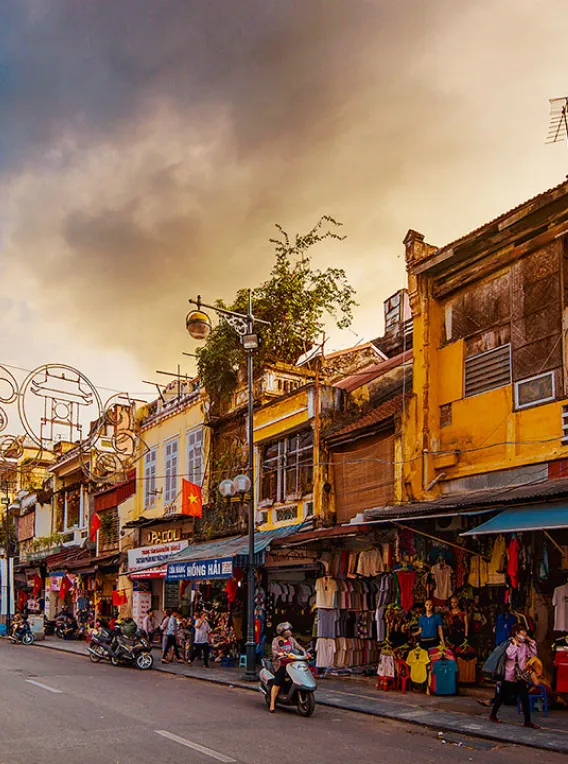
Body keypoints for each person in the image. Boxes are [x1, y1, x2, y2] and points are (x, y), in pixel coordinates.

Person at [490, 623, 539, 729]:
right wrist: (515, 645)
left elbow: (532, 655)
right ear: (517, 633)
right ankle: (493, 714)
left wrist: (531, 642)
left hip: (519, 676)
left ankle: (527, 721)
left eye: (525, 632)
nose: (525, 634)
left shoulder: (525, 645)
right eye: (523, 632)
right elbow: (510, 655)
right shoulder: (509, 643)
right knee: (502, 697)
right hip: (509, 675)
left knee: (524, 697)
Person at [269, 622, 305, 713]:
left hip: (292, 664)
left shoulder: (291, 640)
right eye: (286, 630)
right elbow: (274, 651)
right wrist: (278, 654)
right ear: (281, 632)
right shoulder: (276, 640)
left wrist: (305, 653)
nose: (289, 632)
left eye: (289, 630)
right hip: (281, 664)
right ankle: (272, 704)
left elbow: (299, 648)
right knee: (277, 683)